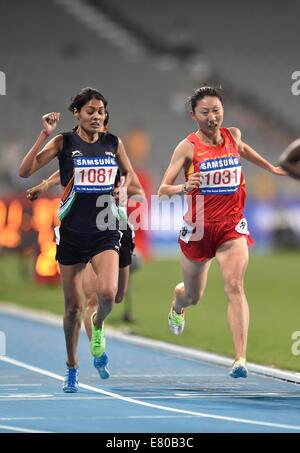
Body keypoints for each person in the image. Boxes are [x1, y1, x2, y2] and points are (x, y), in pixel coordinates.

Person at [158, 86, 286, 378]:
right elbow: (163, 189)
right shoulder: (187, 147)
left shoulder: (234, 135)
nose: (213, 117)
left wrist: (271, 168)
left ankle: (240, 358)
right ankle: (178, 306)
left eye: (217, 110)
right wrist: (183, 186)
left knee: (235, 286)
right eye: (205, 112)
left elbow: (243, 149)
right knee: (193, 295)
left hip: (231, 226)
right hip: (199, 228)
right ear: (194, 115)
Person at [19, 87, 135, 392]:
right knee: (72, 309)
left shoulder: (113, 143)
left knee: (108, 294)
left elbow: (129, 174)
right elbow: (24, 170)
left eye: (101, 111)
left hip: (105, 228)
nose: (97, 116)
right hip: (71, 234)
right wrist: (44, 134)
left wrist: (122, 189)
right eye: (90, 111)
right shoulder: (64, 142)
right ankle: (71, 366)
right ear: (77, 114)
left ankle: (98, 326)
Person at [26, 166, 144, 339]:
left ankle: (99, 319)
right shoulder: (79, 154)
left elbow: (138, 190)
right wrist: (44, 185)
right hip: (87, 229)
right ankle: (97, 343)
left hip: (117, 226)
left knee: (116, 296)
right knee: (92, 298)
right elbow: (63, 172)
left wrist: (122, 191)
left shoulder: (115, 154)